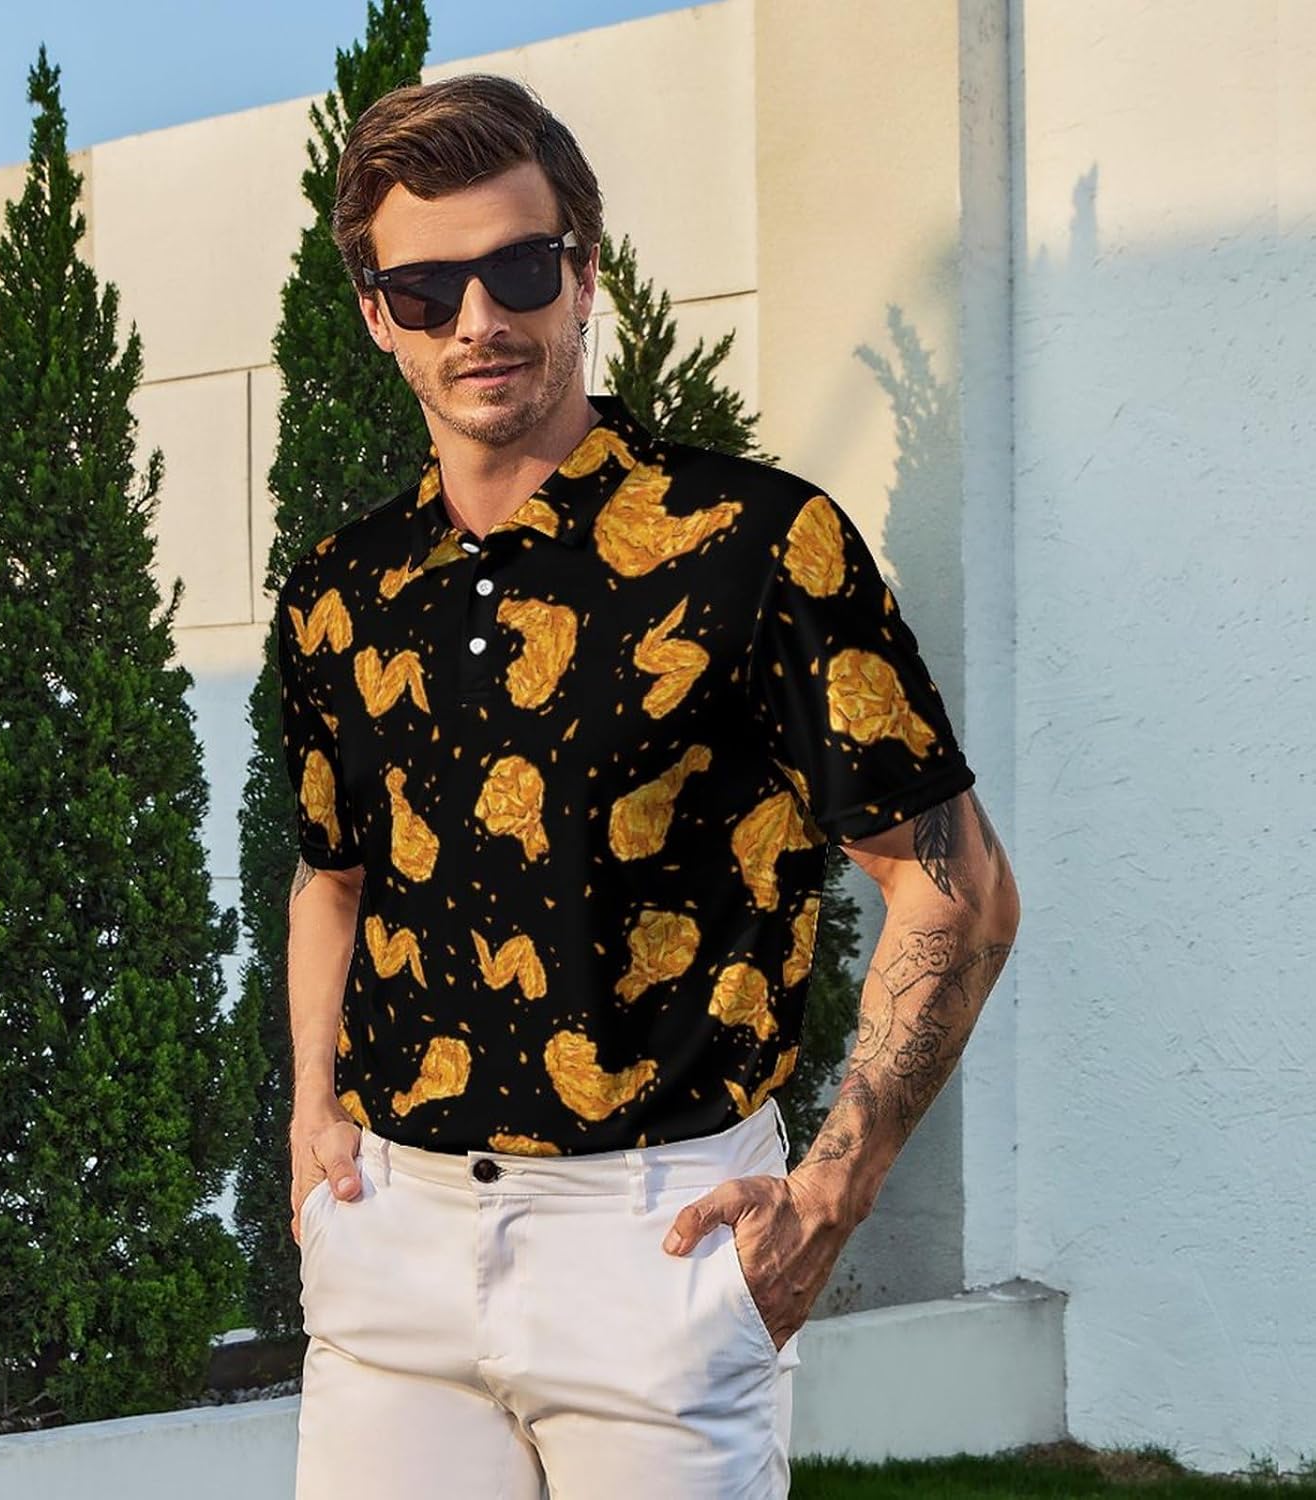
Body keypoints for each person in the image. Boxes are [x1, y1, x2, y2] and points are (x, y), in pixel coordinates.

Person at [277, 71, 1020, 1500]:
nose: (478, 320)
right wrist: (313, 1107)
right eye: (425, 289)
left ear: (583, 271)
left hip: (657, 1242)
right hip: (390, 1250)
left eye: (517, 268)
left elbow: (959, 890)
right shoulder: (339, 590)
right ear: (377, 314)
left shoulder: (757, 544)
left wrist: (829, 1195)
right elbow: (334, 875)